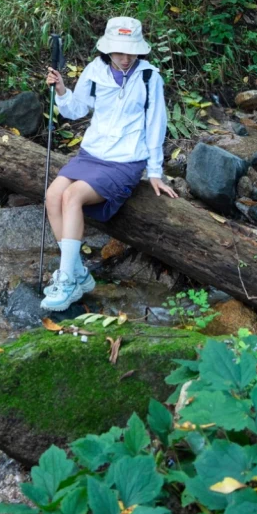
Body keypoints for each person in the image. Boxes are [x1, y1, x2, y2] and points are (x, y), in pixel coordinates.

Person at [41, 15, 177, 311]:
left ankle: (66, 280)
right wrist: (62, 89)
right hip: (92, 154)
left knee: (72, 196)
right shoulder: (95, 70)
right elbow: (76, 111)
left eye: (130, 51)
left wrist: (154, 172)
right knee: (53, 195)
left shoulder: (149, 77)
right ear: (108, 49)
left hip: (125, 161)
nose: (125, 58)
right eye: (119, 51)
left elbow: (156, 125)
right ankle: (77, 272)